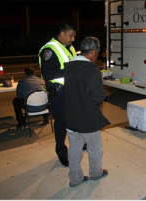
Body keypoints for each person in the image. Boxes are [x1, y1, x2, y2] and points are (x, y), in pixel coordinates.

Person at [64, 36, 110, 187]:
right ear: (91, 52)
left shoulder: (69, 66)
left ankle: (75, 178)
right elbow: (96, 96)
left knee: (75, 148)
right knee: (94, 147)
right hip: (87, 117)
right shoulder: (91, 70)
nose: (96, 57)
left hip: (71, 116)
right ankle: (96, 173)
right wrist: (102, 96)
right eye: (96, 53)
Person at [38, 24, 77, 167]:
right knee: (61, 124)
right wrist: (71, 70)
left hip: (72, 90)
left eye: (74, 36)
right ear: (62, 33)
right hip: (59, 93)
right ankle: (61, 152)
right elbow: (48, 74)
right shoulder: (49, 49)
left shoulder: (70, 48)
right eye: (71, 36)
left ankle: (77, 144)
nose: (73, 39)